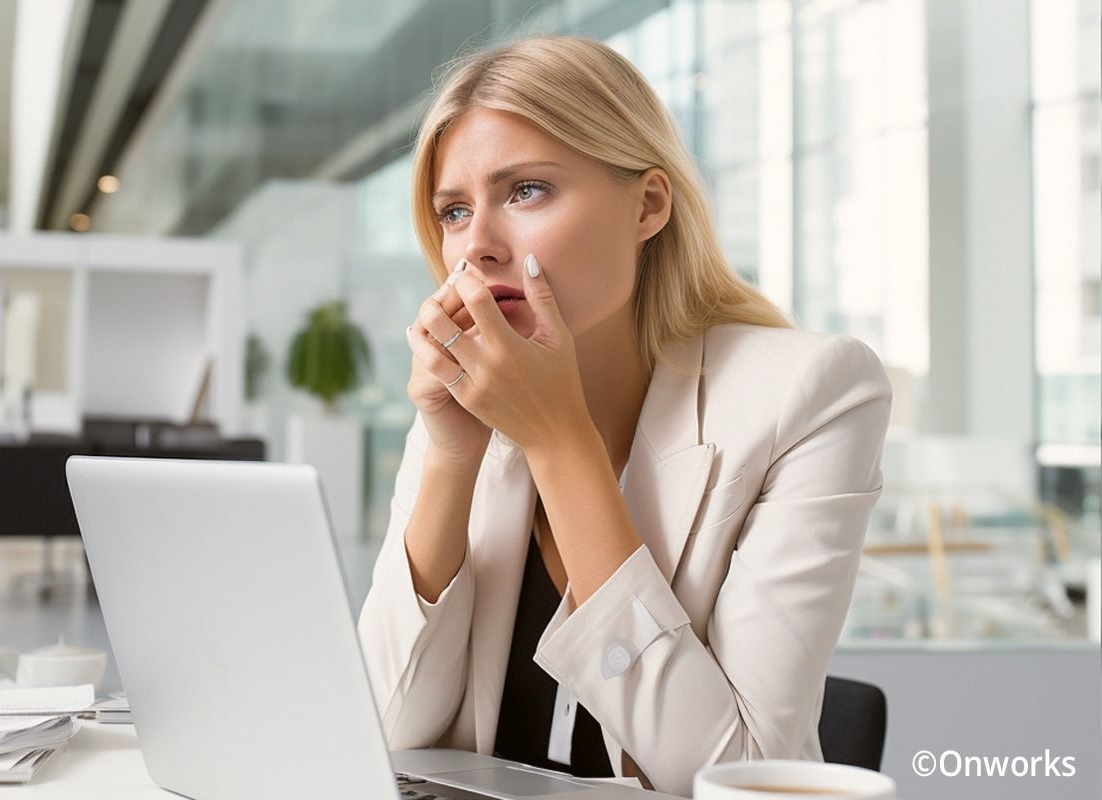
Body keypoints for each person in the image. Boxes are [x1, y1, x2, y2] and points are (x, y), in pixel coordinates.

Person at [357, 34, 892, 796]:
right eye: (454, 210)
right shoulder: (468, 400)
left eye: (526, 191)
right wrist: (449, 454)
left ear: (648, 205)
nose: (476, 247)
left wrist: (558, 442)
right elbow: (377, 737)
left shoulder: (811, 395)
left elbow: (739, 781)